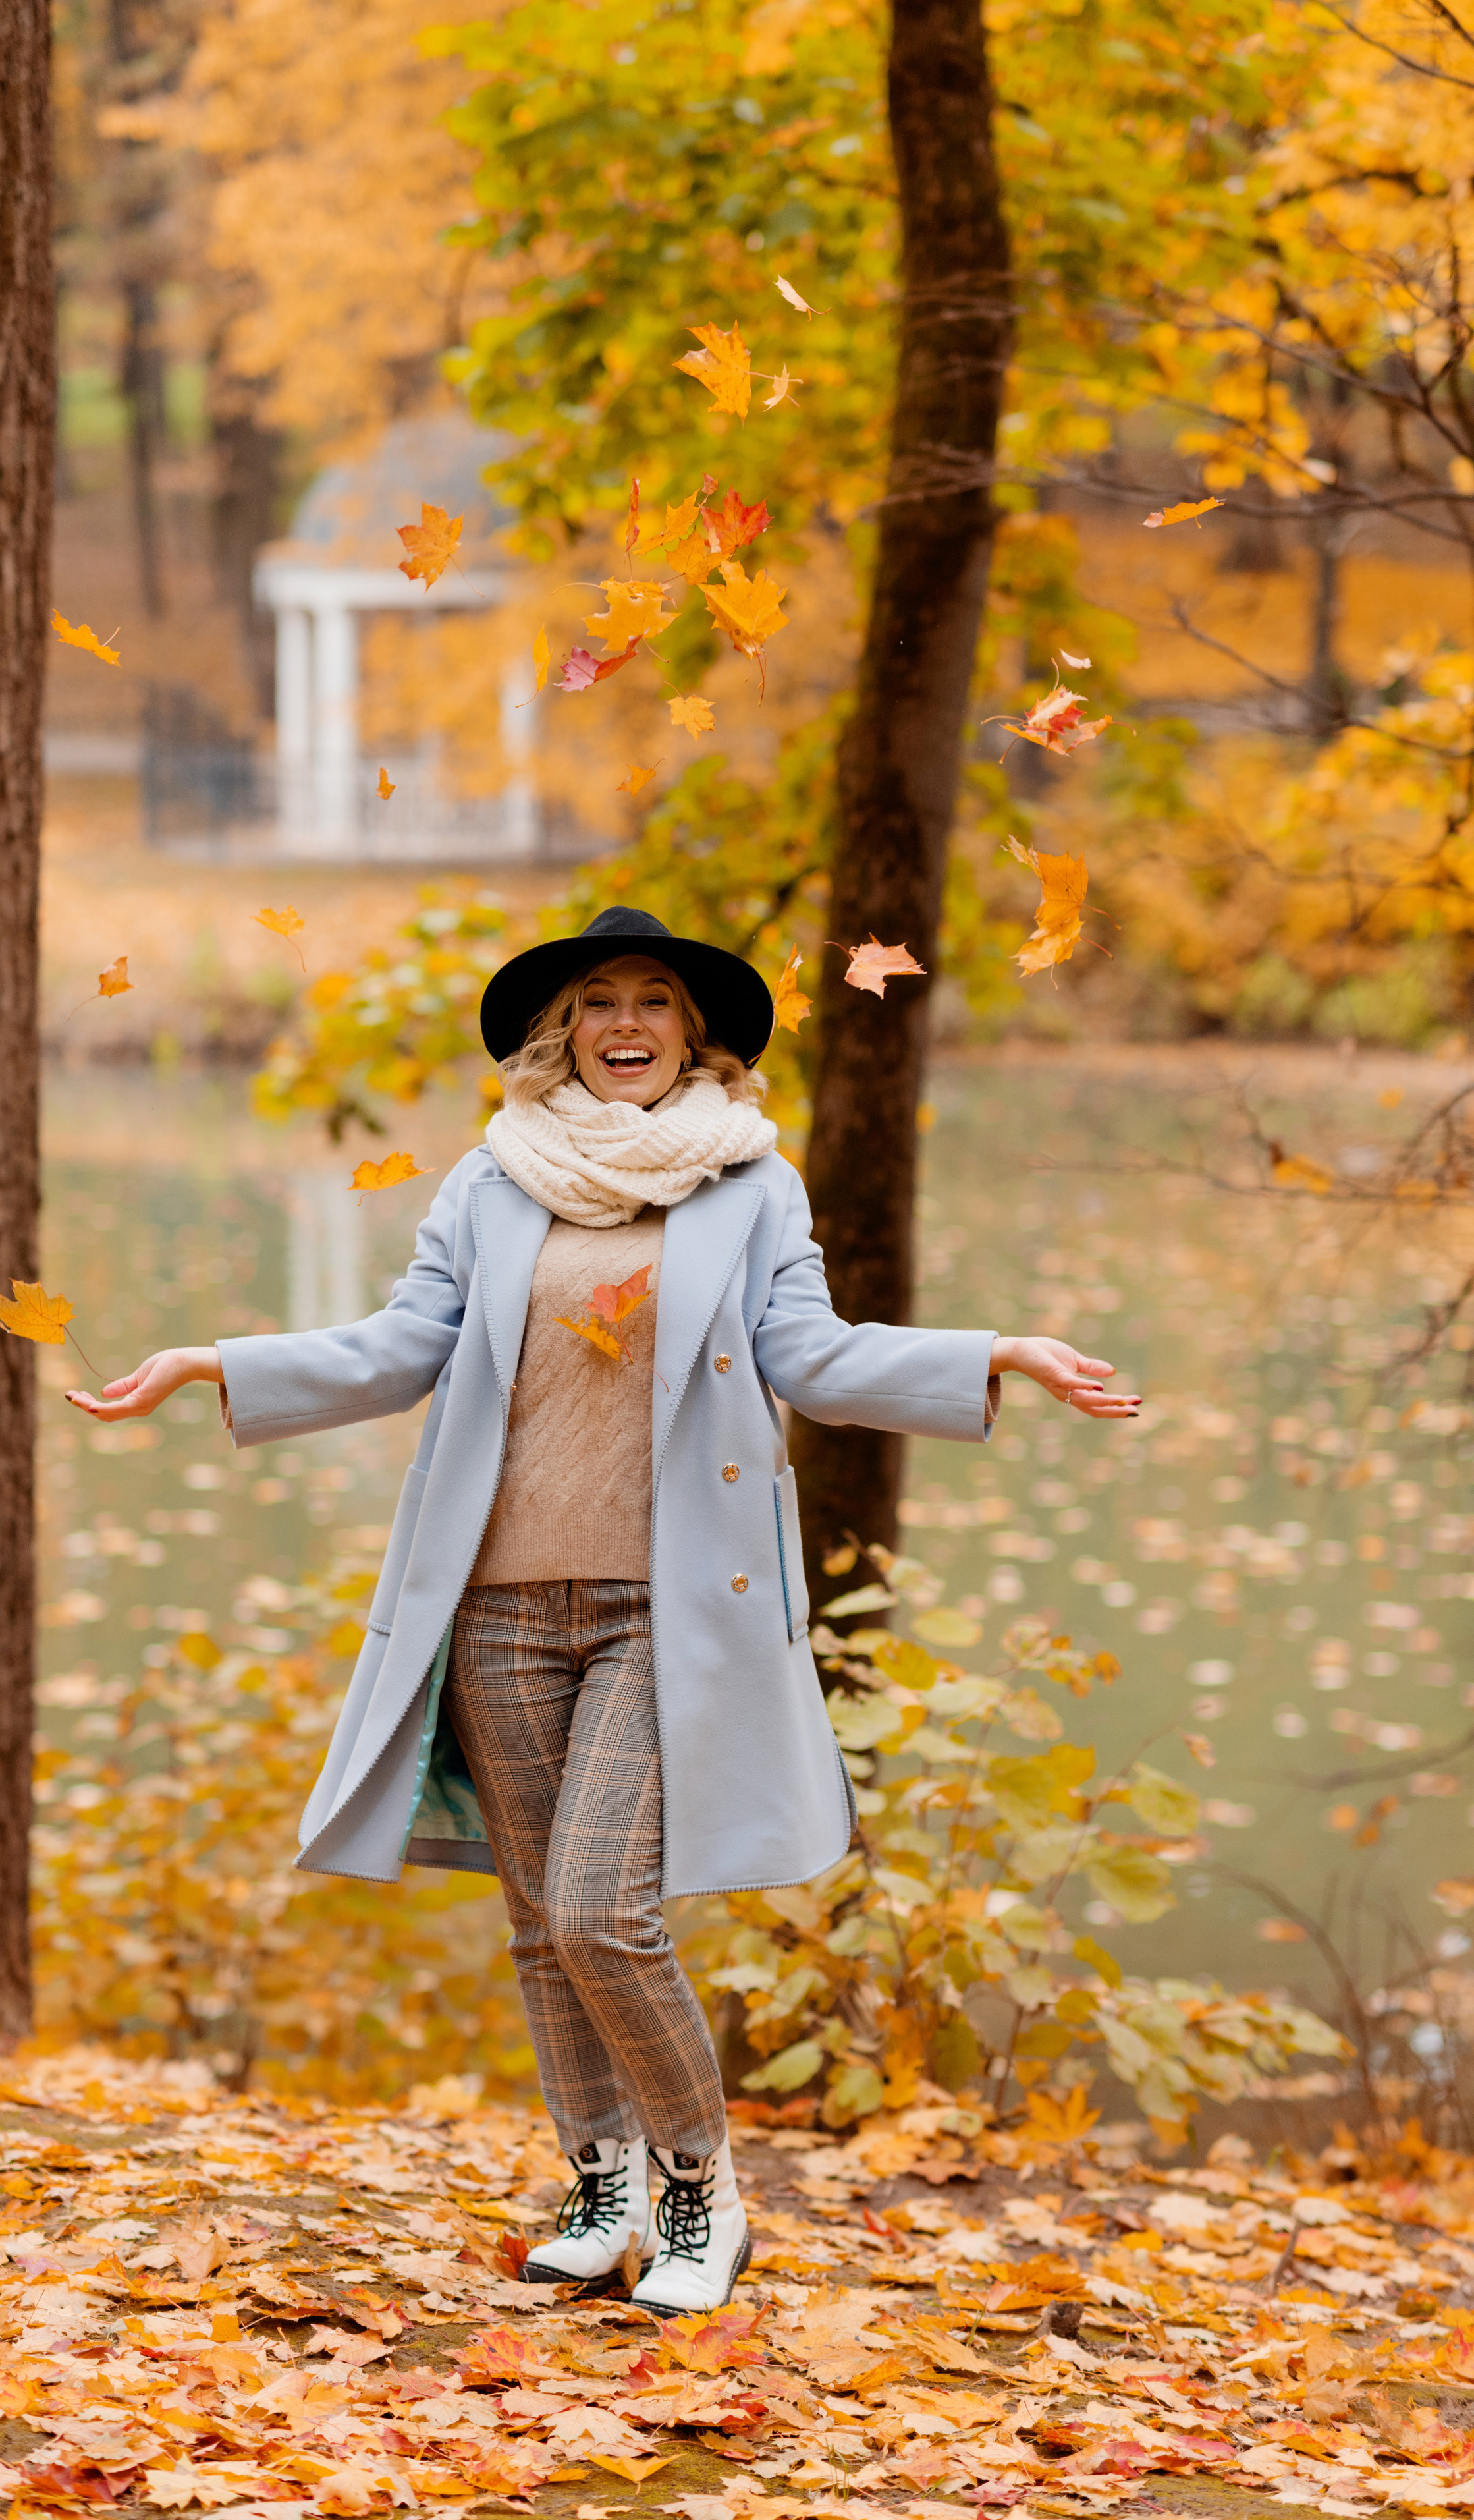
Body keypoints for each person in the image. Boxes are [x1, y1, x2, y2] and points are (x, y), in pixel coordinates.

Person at [69, 905, 1139, 2315]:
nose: (623, 1022)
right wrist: (211, 1362)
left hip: (667, 1611)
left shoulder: (750, 1185)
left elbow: (809, 1355)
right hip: (496, 1604)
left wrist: (995, 1354)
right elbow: (402, 1345)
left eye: (652, 1000)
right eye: (596, 1002)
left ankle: (699, 2184)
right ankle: (600, 2179)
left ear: (694, 1034)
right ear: (560, 1031)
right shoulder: (491, 1179)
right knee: (537, 1923)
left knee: (599, 1914)